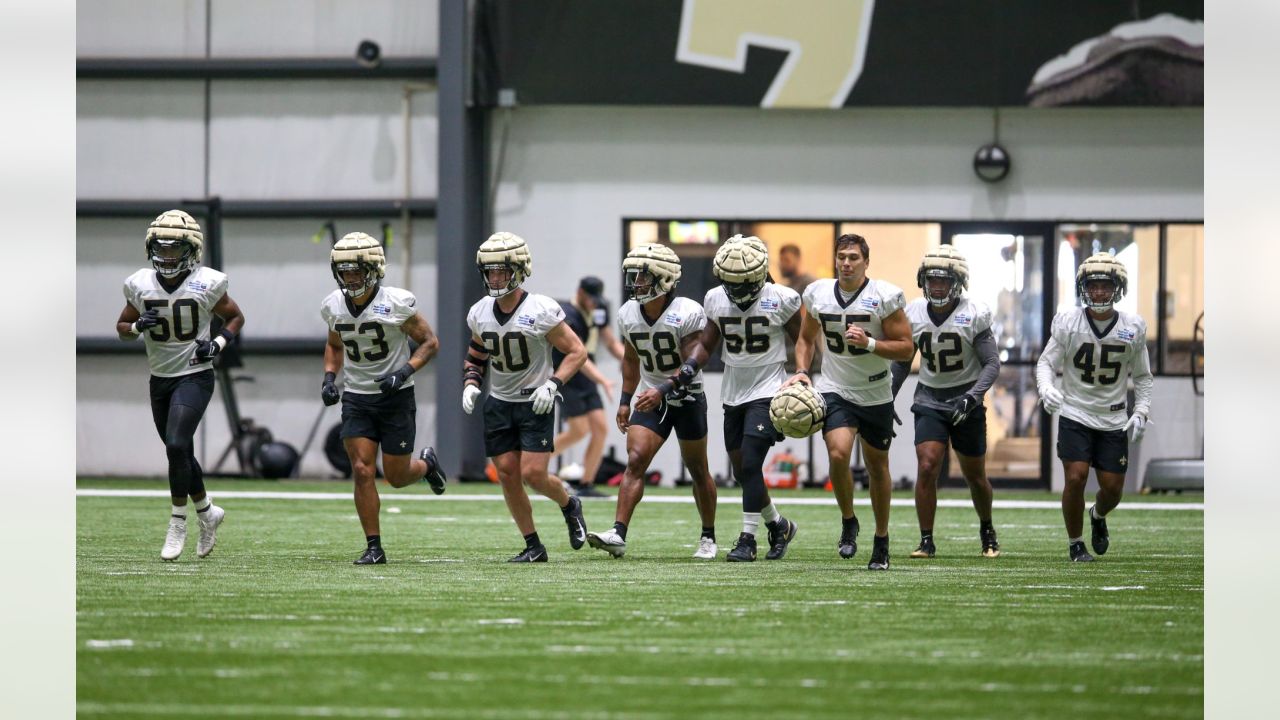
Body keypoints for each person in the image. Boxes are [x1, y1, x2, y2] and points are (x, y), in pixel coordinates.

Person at [660, 235, 802, 563]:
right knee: (743, 471)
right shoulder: (716, 299)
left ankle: (747, 539)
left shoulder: (782, 298)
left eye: (743, 282)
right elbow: (708, 342)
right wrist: (689, 367)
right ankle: (778, 525)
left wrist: (803, 372)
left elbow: (804, 339)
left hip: (768, 390)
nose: (736, 290)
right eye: (730, 282)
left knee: (751, 463)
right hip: (733, 391)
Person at [115, 210, 245, 561]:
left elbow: (235, 317)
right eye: (162, 249)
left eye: (175, 249)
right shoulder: (140, 283)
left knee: (175, 443)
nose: (168, 256)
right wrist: (138, 326)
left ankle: (178, 523)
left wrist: (216, 344)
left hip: (194, 375)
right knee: (181, 451)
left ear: (191, 250)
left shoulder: (207, 282)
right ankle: (207, 512)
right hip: (160, 379)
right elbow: (122, 329)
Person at [786, 233, 914, 570]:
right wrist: (801, 370)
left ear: (866, 262)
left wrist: (871, 343)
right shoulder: (819, 294)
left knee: (876, 467)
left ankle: (881, 540)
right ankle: (848, 519)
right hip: (835, 388)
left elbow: (906, 348)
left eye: (854, 257)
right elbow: (805, 338)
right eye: (842, 256)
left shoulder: (883, 296)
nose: (846, 262)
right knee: (838, 452)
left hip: (875, 393)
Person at [462, 232, 591, 562]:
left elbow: (577, 352)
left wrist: (553, 383)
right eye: (489, 271)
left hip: (536, 400)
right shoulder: (479, 312)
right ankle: (533, 545)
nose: (495, 278)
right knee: (506, 473)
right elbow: (476, 355)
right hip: (499, 401)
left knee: (533, 475)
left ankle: (569, 503)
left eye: (501, 271)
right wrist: (471, 382)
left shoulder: (541, 309)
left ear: (519, 270)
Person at [320, 232, 447, 565]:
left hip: (395, 398)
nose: (350, 278)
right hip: (358, 398)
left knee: (396, 476)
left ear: (374, 270)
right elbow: (334, 345)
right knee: (362, 470)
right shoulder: (334, 305)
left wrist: (404, 372)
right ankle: (374, 546)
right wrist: (330, 378)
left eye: (356, 271)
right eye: (344, 271)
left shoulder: (395, 302)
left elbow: (430, 342)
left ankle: (427, 465)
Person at [586, 244, 719, 559]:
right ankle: (618, 533)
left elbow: (691, 365)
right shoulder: (628, 313)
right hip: (651, 398)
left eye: (643, 276)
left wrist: (661, 389)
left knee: (698, 469)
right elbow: (631, 361)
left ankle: (708, 537)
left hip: (685, 397)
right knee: (635, 459)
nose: (636, 282)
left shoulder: (686, 311)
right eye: (634, 275)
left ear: (664, 278)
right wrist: (624, 400)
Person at [1036, 253, 1152, 562]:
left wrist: (1141, 410)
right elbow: (1046, 363)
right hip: (1075, 411)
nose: (1099, 292)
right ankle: (1075, 543)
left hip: (1113, 417)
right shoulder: (1069, 322)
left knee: (1112, 491)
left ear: (1118, 289)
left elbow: (1142, 376)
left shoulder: (1132, 327)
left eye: (1105, 286)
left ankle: (1098, 516)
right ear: (1083, 288)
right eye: (1093, 286)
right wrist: (1046, 388)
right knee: (1075, 478)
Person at [890, 246, 1002, 560]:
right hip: (929, 397)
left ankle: (987, 529)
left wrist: (973, 396)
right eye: (932, 279)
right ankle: (926, 539)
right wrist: (886, 398)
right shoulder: (912, 313)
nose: (937, 286)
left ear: (958, 282)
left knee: (975, 476)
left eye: (944, 280)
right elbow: (902, 362)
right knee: (927, 466)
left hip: (965, 397)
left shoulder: (973, 312)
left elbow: (992, 364)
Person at [550, 276, 624, 497]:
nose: (594, 303)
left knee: (600, 428)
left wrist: (631, 359)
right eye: (590, 298)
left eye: (596, 299)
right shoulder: (568, 314)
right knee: (578, 431)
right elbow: (578, 354)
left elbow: (610, 341)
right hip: (569, 371)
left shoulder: (599, 308)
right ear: (580, 292)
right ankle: (529, 463)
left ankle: (586, 484)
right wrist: (603, 380)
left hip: (588, 372)